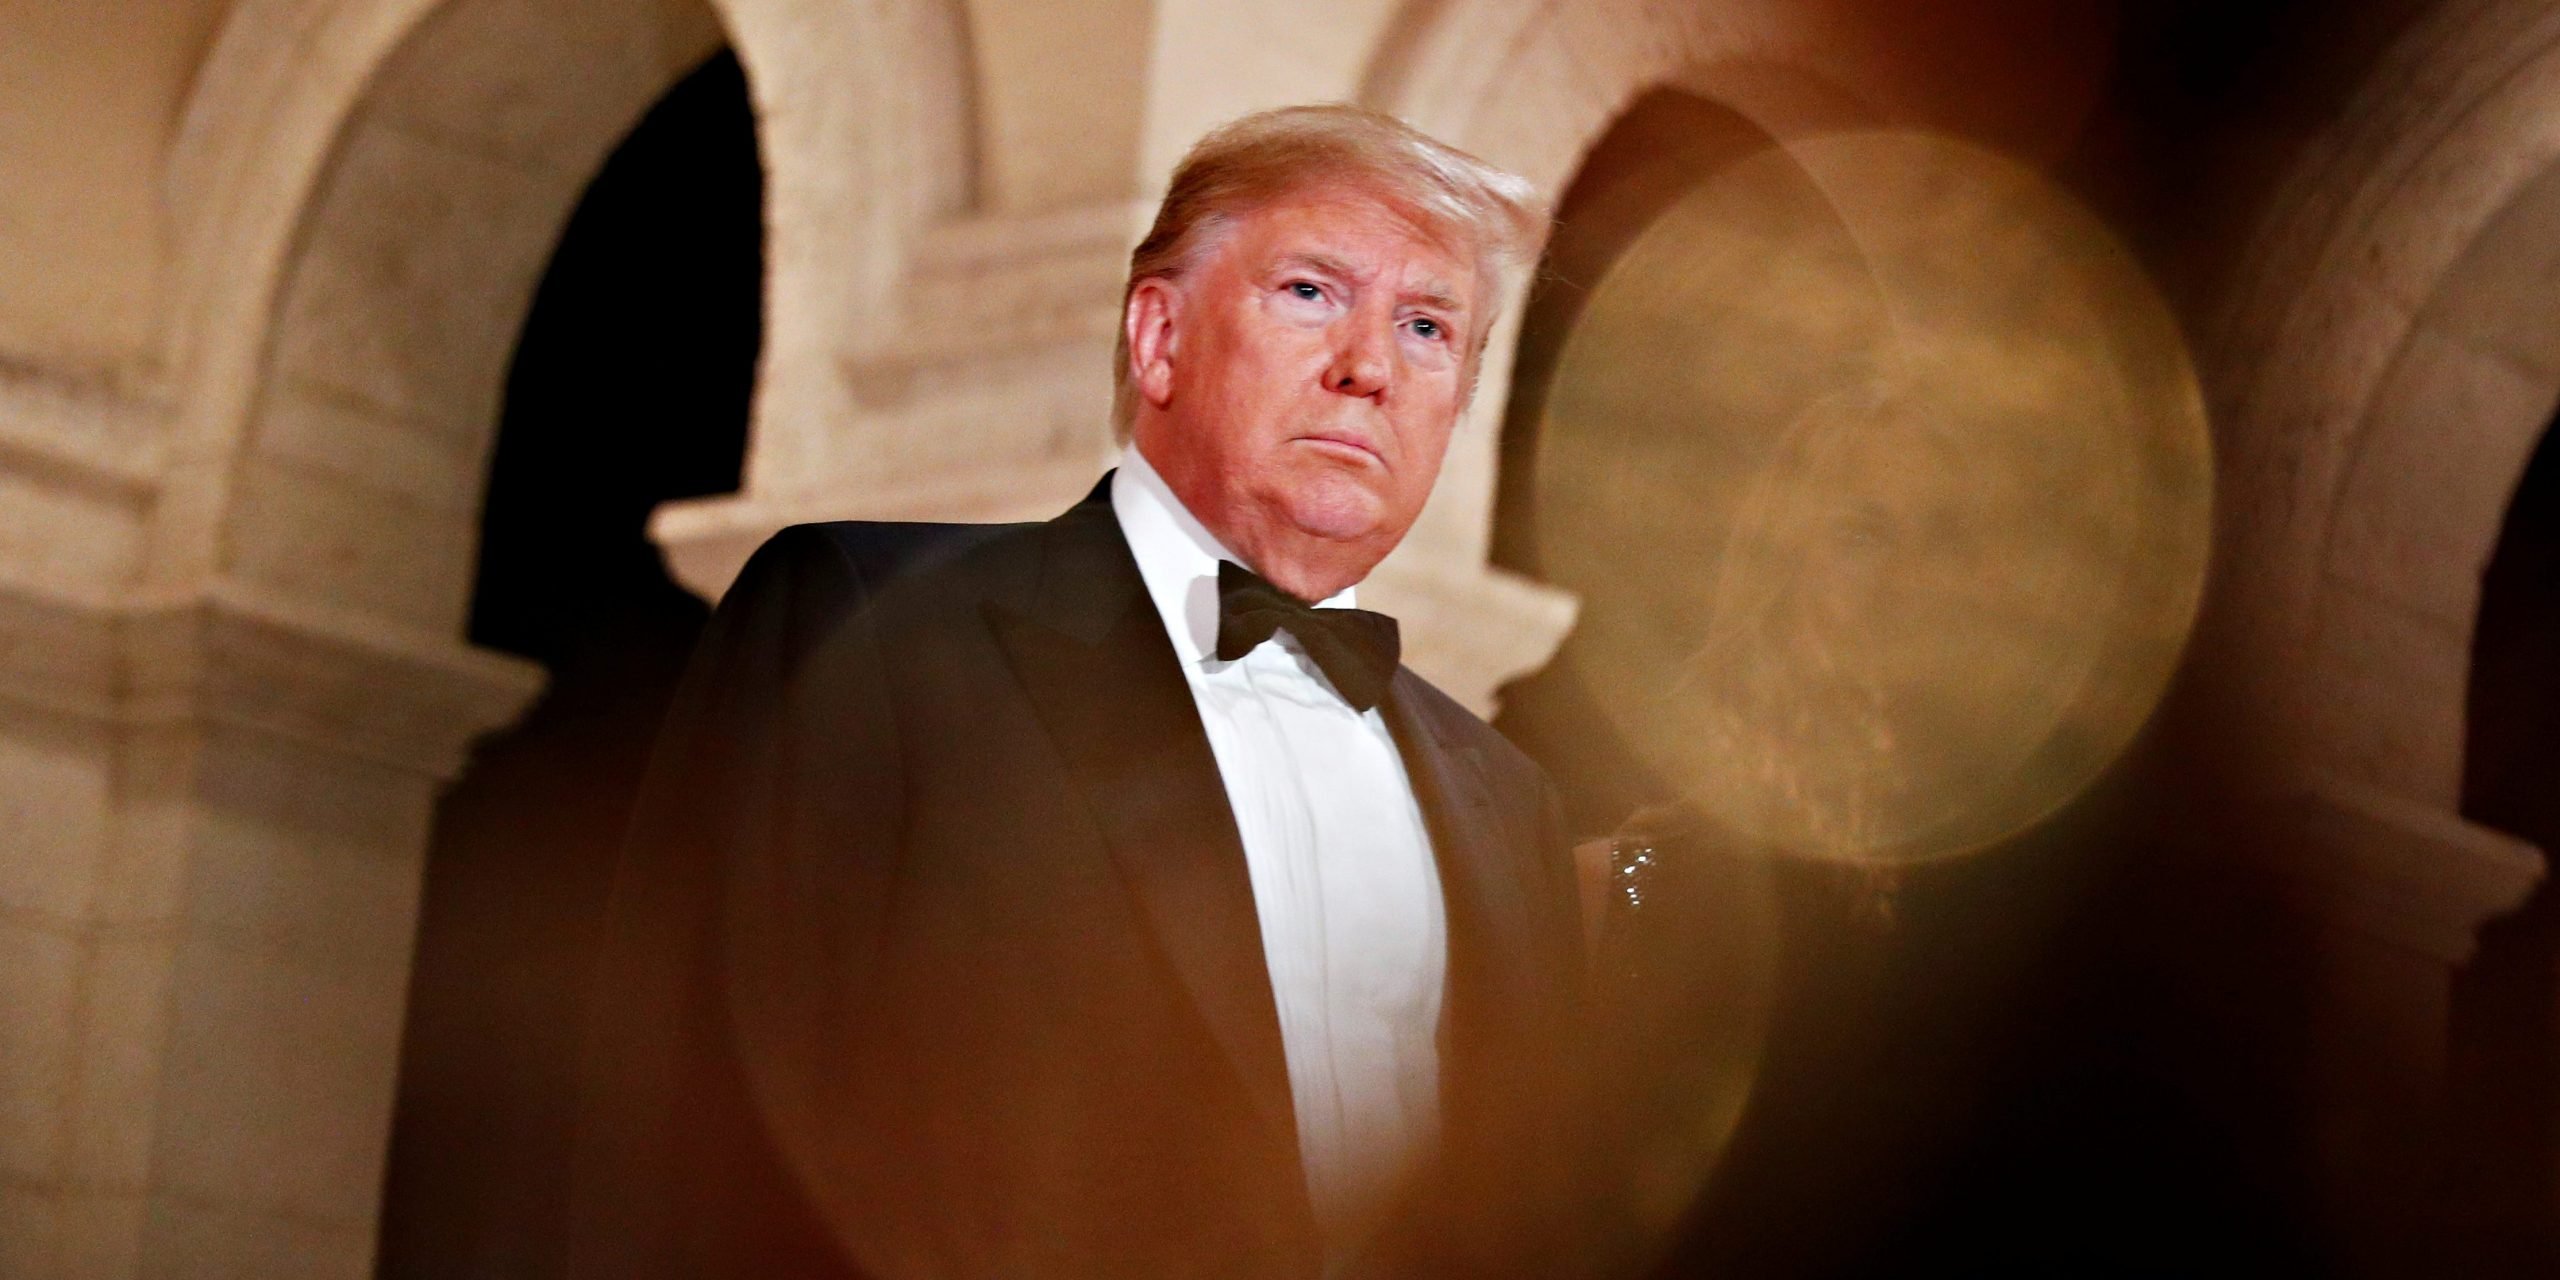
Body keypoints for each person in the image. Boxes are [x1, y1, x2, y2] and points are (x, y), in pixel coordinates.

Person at [568, 104, 1587, 1279]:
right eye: (1310, 291)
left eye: (1425, 325)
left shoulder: (1509, 803)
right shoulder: (864, 624)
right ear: (1157, 337)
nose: (1369, 366)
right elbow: (672, 1144)